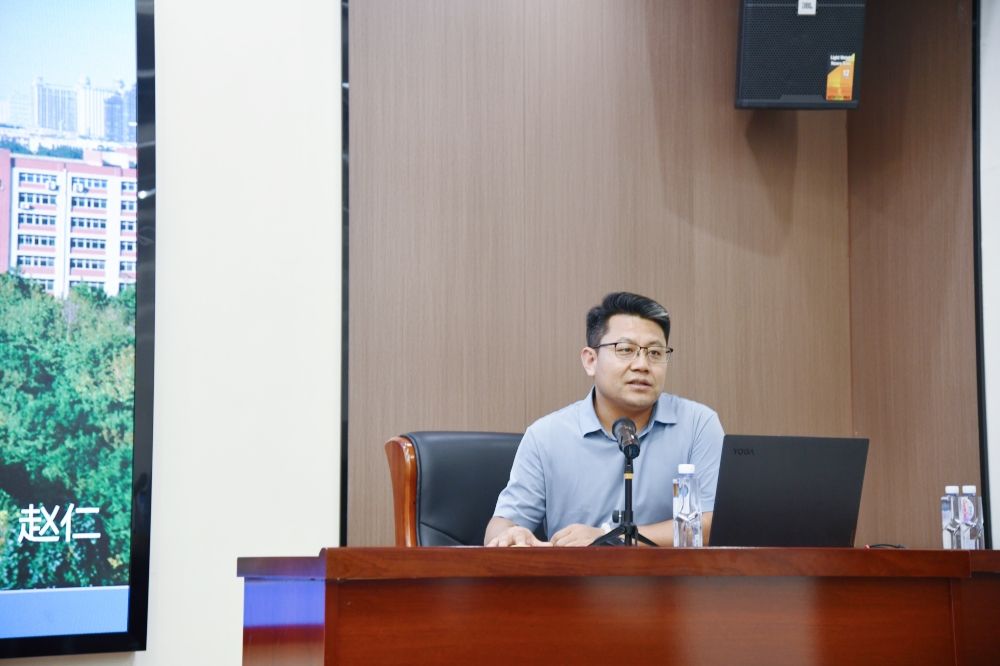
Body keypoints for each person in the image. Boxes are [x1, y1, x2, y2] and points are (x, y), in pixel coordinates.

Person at [484, 292, 724, 547]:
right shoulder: (546, 436)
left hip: (671, 575)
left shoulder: (698, 425)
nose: (642, 365)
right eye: (626, 350)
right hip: (574, 574)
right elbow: (502, 525)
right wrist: (510, 535)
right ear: (591, 360)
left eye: (655, 353)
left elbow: (712, 525)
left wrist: (610, 539)